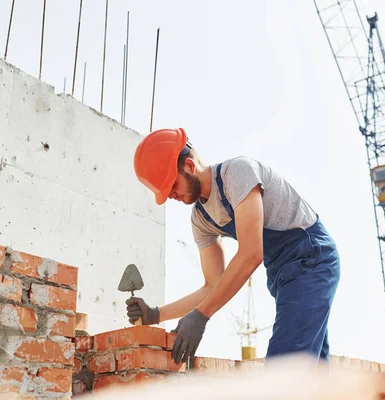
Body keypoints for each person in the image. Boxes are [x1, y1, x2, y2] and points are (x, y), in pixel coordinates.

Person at [128, 127, 341, 366]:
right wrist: (156, 314)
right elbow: (213, 286)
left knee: (285, 368)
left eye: (172, 185)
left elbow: (251, 255)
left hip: (311, 258)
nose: (170, 195)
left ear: (189, 165)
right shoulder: (201, 219)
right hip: (283, 276)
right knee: (312, 372)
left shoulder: (237, 173)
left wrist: (201, 315)